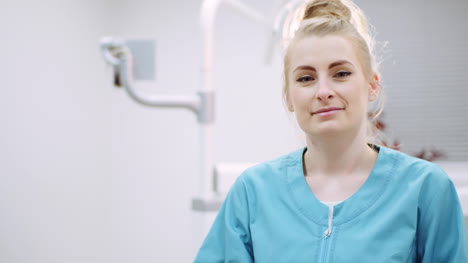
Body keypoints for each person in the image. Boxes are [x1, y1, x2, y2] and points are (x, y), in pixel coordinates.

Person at [194, 0, 468, 262]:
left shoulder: (424, 189)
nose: (323, 92)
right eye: (306, 78)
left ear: (372, 85)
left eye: (341, 74)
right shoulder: (252, 193)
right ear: (289, 97)